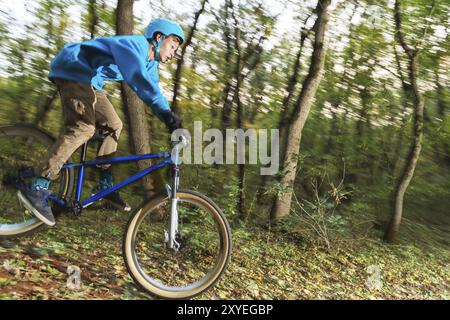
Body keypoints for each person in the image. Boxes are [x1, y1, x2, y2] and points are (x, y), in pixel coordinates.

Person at [17, 18, 184, 226]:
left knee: (114, 125)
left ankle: (104, 185)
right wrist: (167, 117)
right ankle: (39, 185)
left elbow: (153, 91)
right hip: (74, 69)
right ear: (159, 38)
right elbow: (137, 78)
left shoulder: (151, 64)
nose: (173, 53)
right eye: (172, 45)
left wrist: (169, 117)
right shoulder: (135, 45)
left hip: (91, 82)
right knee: (84, 127)